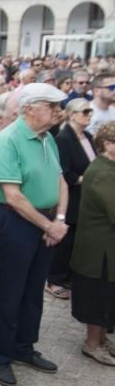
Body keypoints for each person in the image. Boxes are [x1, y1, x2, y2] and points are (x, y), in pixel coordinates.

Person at [0, 83, 68, 386]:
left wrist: (58, 219)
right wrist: (49, 226)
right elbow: (13, 196)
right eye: (51, 106)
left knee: (34, 289)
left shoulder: (48, 138)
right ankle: (2, 356)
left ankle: (24, 347)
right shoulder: (9, 140)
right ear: (30, 108)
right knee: (11, 291)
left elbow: (60, 180)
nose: (57, 112)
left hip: (45, 220)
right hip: (16, 222)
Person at [70, 121, 115, 366]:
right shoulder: (104, 172)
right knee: (99, 298)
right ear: (108, 145)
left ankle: (101, 340)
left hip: (104, 249)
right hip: (100, 252)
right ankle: (93, 344)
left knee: (105, 297)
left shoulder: (107, 167)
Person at [47, 98, 96, 299]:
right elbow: (64, 173)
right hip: (72, 196)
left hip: (87, 197)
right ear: (71, 114)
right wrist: (91, 177)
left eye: (90, 111)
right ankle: (55, 279)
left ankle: (68, 276)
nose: (89, 115)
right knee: (65, 241)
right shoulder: (63, 139)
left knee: (77, 241)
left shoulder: (89, 136)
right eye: (85, 111)